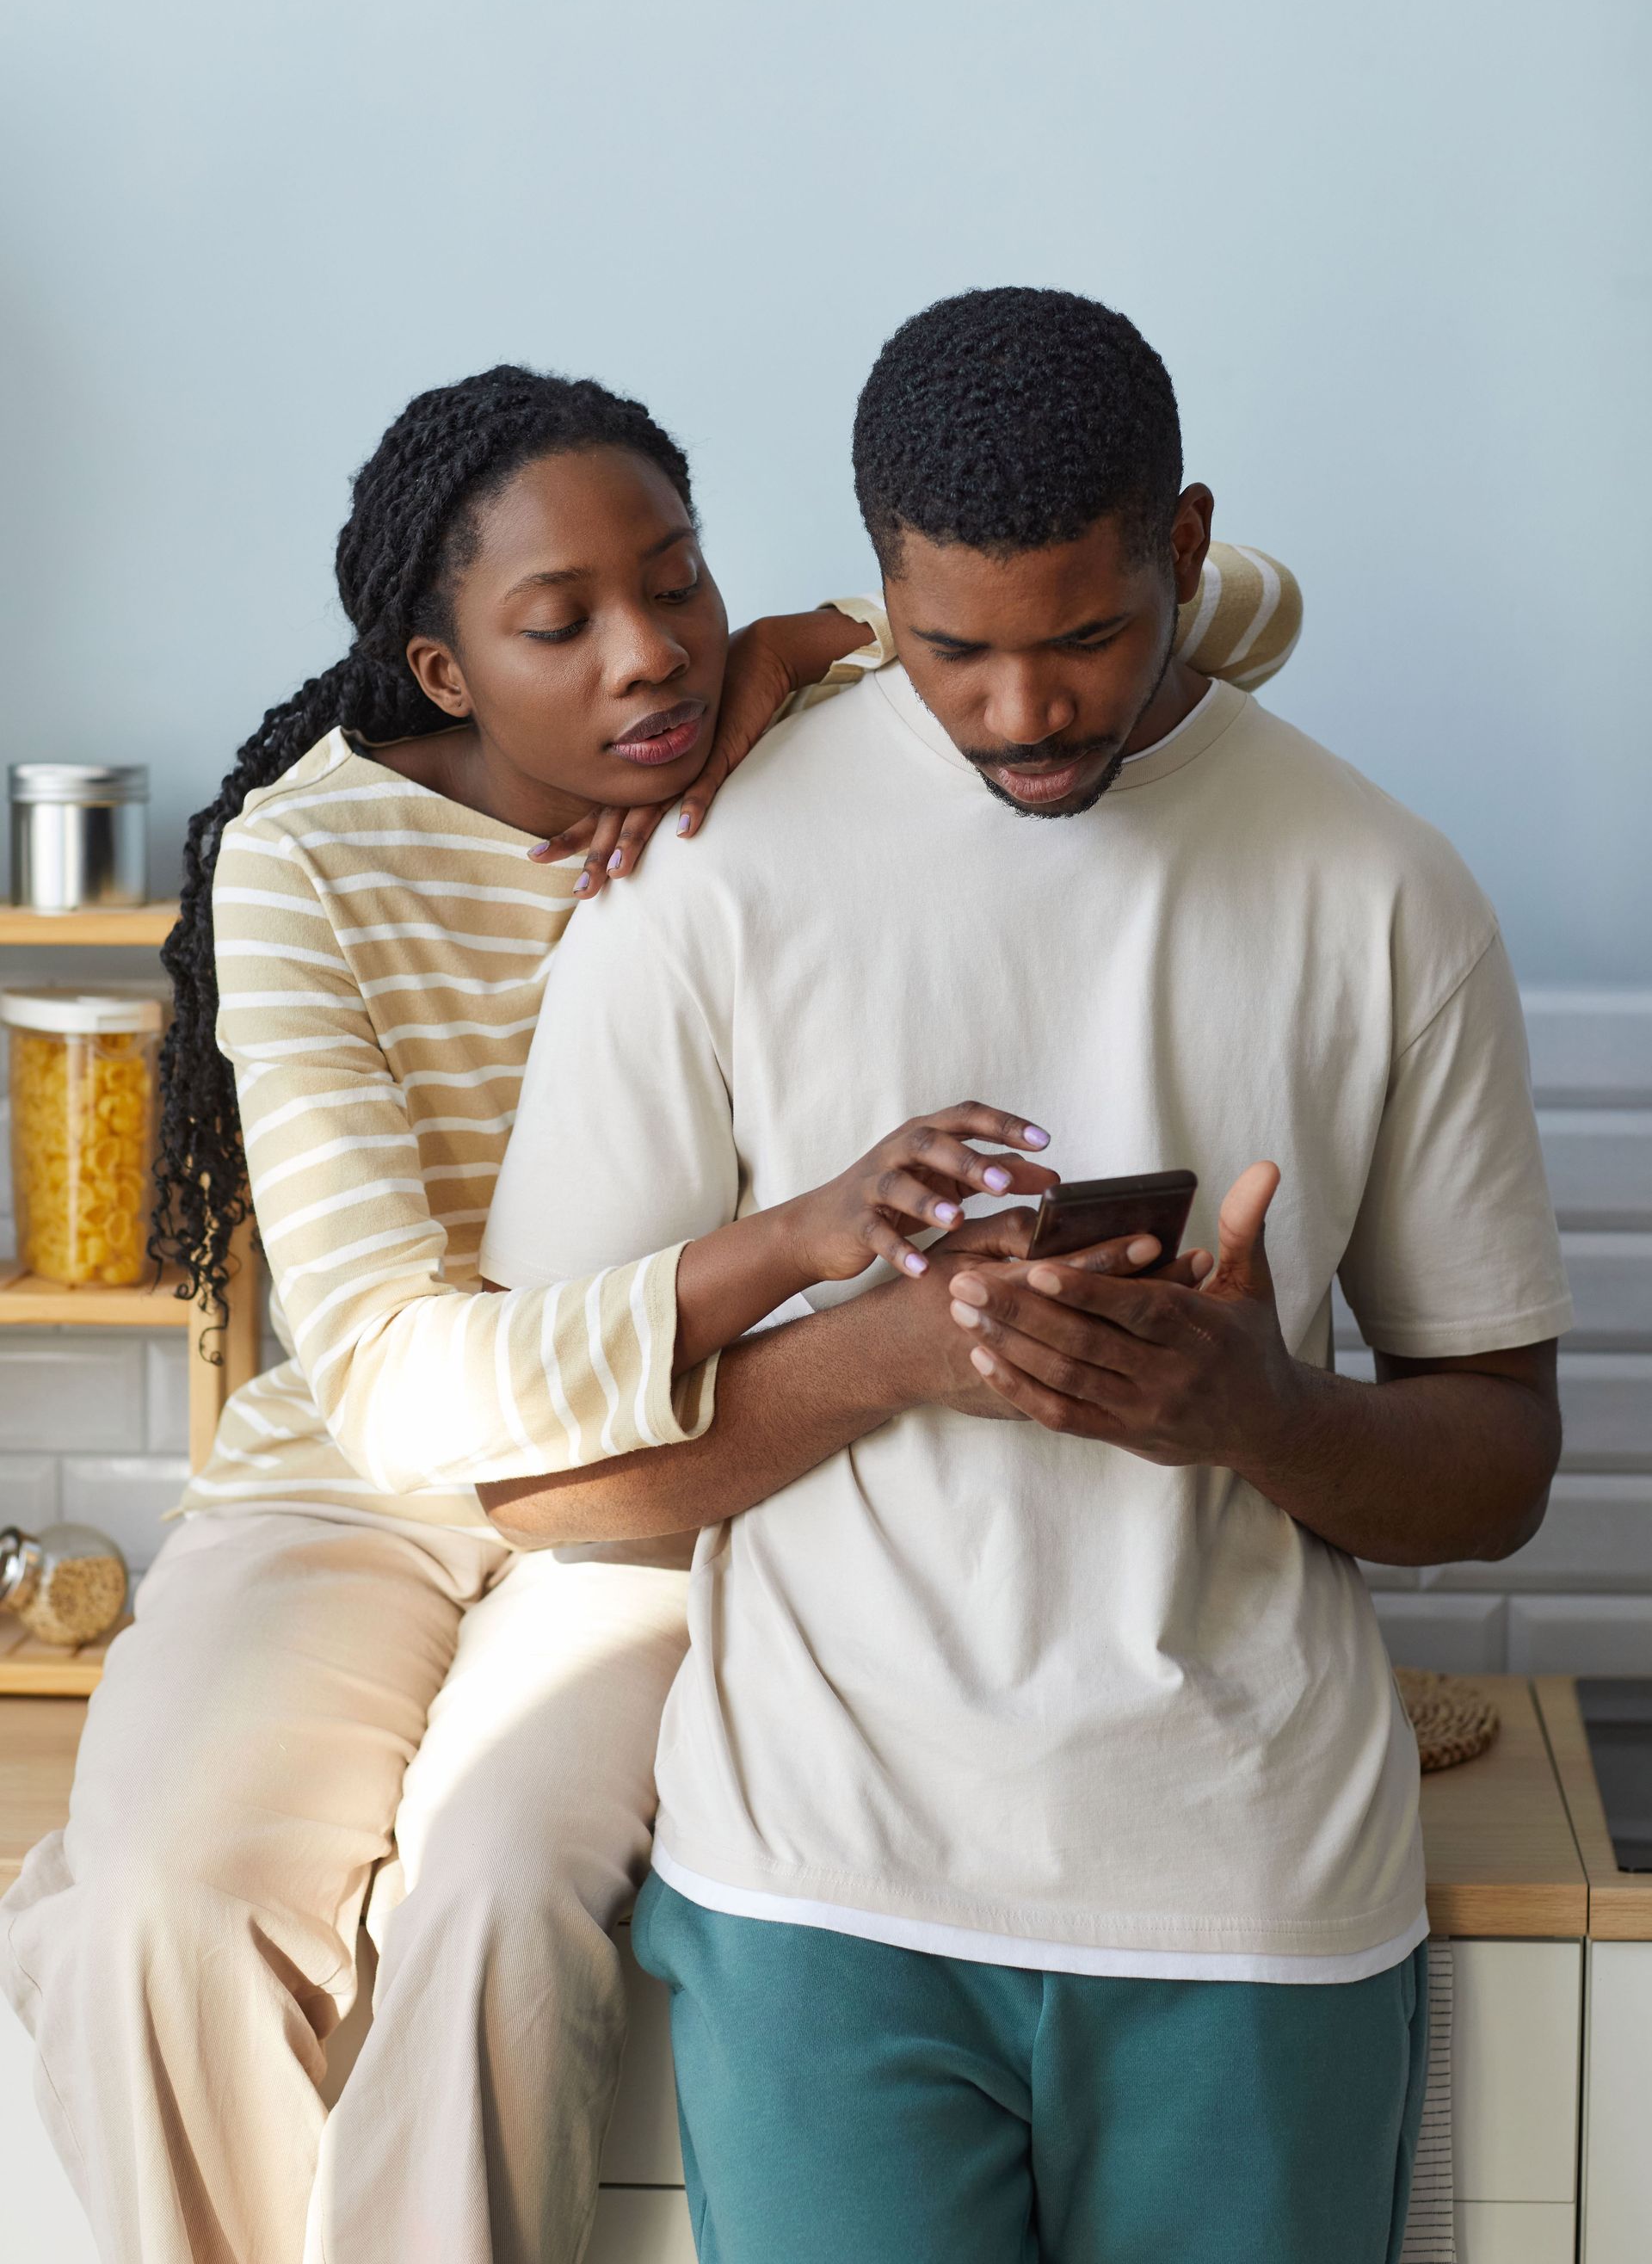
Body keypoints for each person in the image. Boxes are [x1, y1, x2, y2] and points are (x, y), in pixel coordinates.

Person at [0, 361, 1300, 2264]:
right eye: (566, 622)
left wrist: (827, 638)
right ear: (445, 672)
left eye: (679, 584)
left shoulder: (799, 731)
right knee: (154, 1915)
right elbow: (389, 1369)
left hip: (671, 1483)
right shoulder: (305, 859)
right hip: (362, 1483)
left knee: (498, 1894)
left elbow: (1233, 600)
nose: (649, 657)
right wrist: (784, 1242)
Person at [480, 288, 1572, 2264]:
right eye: (949, 647)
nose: (1018, 710)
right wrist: (892, 1357)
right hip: (825, 1904)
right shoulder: (704, 877)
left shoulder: (1383, 890)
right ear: (873, 580)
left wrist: (1262, 1416)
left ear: (1186, 548)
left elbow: (1498, 1460)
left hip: (1252, 1903)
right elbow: (542, 1479)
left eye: (1080, 636)